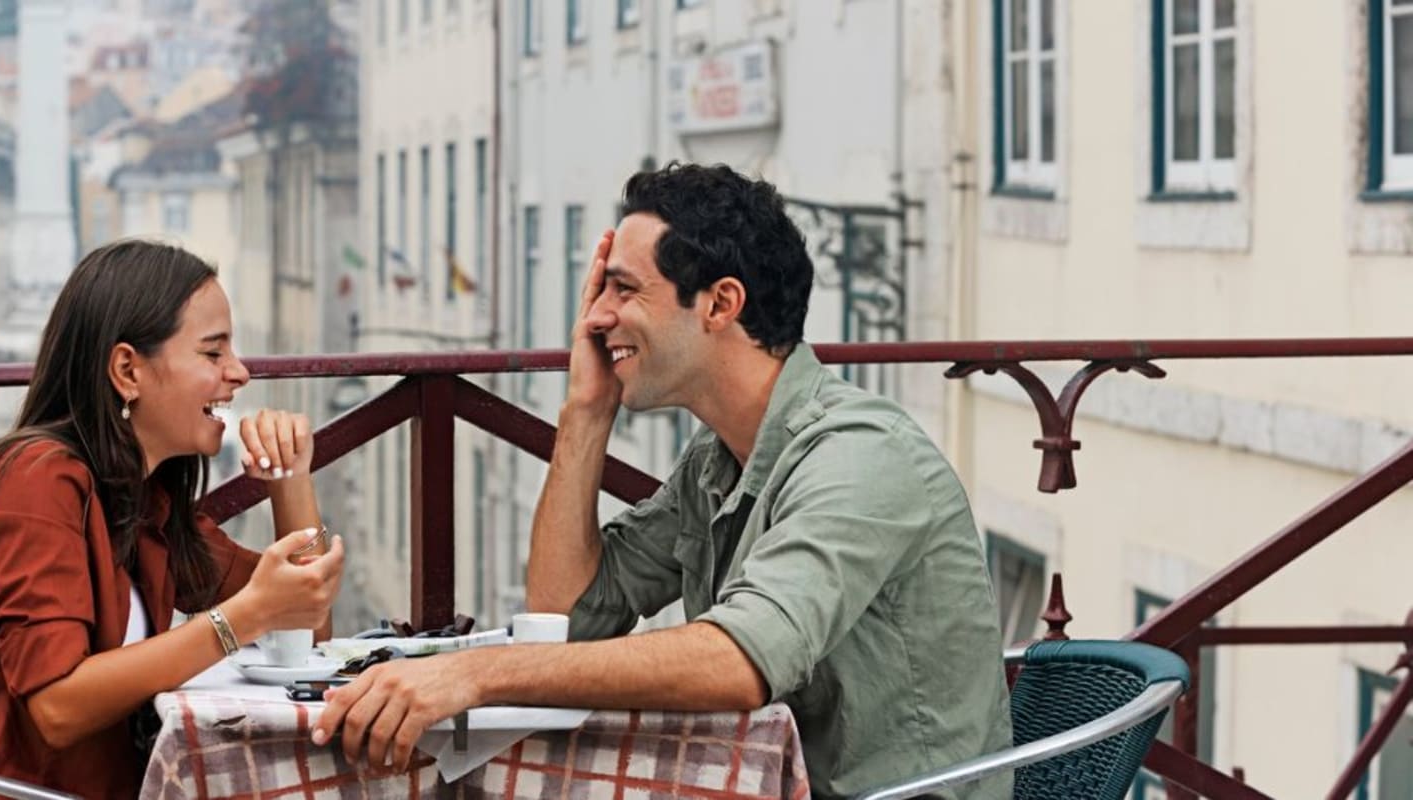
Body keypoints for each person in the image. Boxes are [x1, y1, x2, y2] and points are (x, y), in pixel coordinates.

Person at [310, 164, 1011, 799]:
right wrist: (585, 413)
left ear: (719, 303)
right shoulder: (718, 460)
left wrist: (476, 674)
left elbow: (739, 660)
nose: (595, 317)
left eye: (623, 289)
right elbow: (568, 619)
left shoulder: (860, 455)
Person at [0, 240, 346, 799]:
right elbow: (57, 707)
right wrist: (241, 619)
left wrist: (289, 478)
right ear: (128, 370)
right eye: (213, 353)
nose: (240, 373)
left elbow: (304, 624)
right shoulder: (33, 481)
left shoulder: (141, 498)